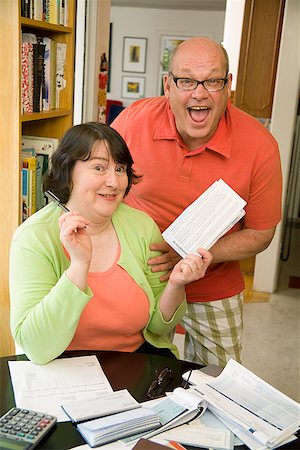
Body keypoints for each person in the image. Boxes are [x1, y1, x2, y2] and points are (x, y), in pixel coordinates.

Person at [111, 37, 282, 367]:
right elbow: (97, 181)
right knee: (133, 375)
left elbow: (262, 233)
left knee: (218, 386)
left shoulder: (261, 147)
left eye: (213, 81)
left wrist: (194, 256)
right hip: (136, 277)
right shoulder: (133, 122)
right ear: (168, 85)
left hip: (213, 286)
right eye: (186, 80)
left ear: (228, 85)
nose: (199, 93)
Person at [9, 122, 212, 365]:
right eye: (99, 168)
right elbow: (37, 347)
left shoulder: (141, 226)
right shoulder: (33, 238)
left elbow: (157, 327)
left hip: (134, 363)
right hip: (61, 369)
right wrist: (79, 265)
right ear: (68, 171)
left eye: (120, 169)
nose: (114, 182)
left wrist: (176, 285)